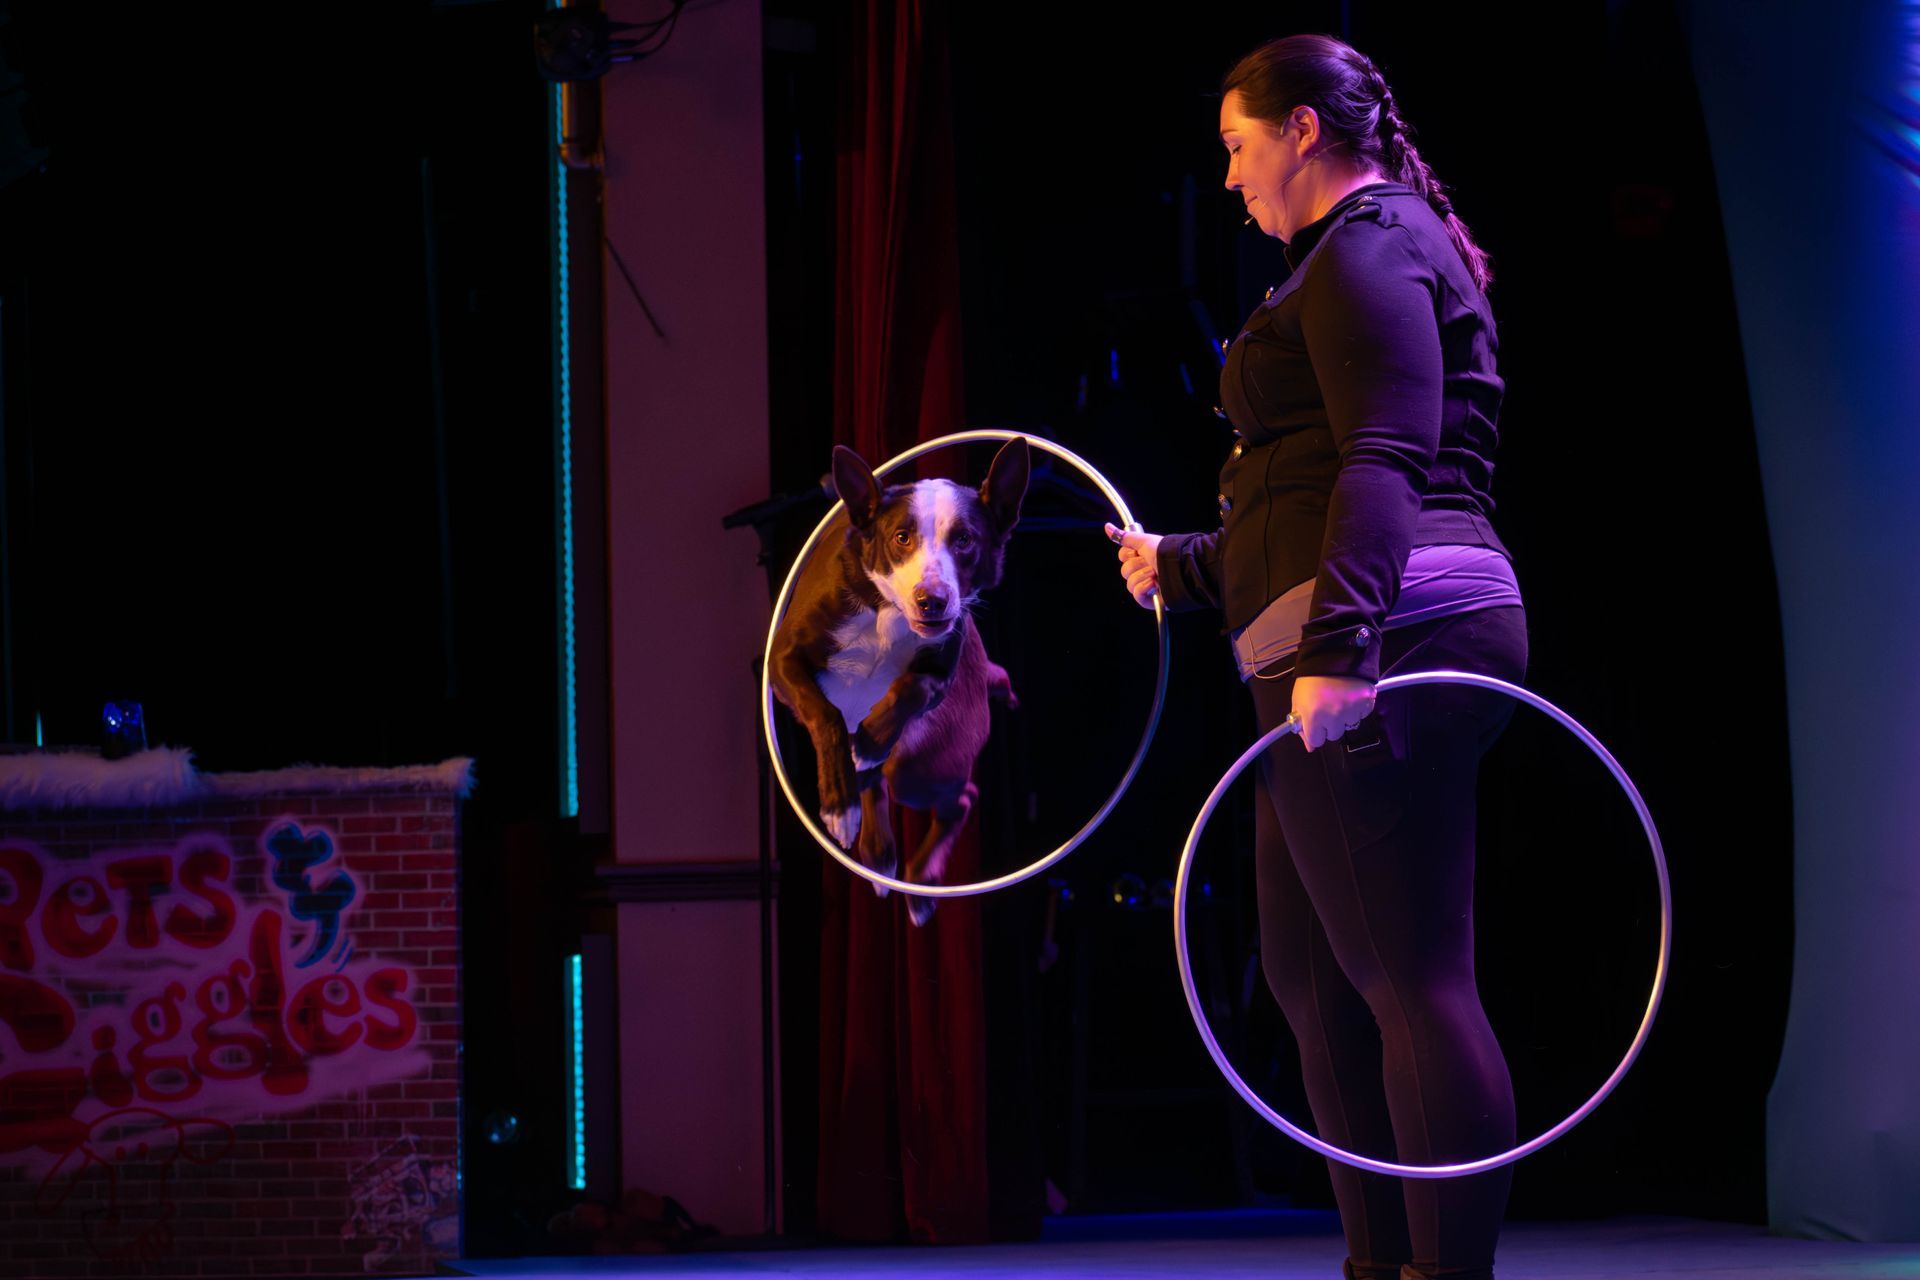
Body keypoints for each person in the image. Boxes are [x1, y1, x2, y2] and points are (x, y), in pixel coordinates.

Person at [1104, 33, 1529, 1280]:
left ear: (1302, 131)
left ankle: (1444, 1273)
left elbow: (1391, 455)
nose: (1230, 180)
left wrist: (1341, 647)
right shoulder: (1355, 256)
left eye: (1238, 148)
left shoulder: (1372, 245)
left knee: (1411, 973)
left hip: (1388, 628)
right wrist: (1183, 565)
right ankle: (1378, 1261)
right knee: (1309, 973)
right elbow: (1302, 481)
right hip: (1333, 629)